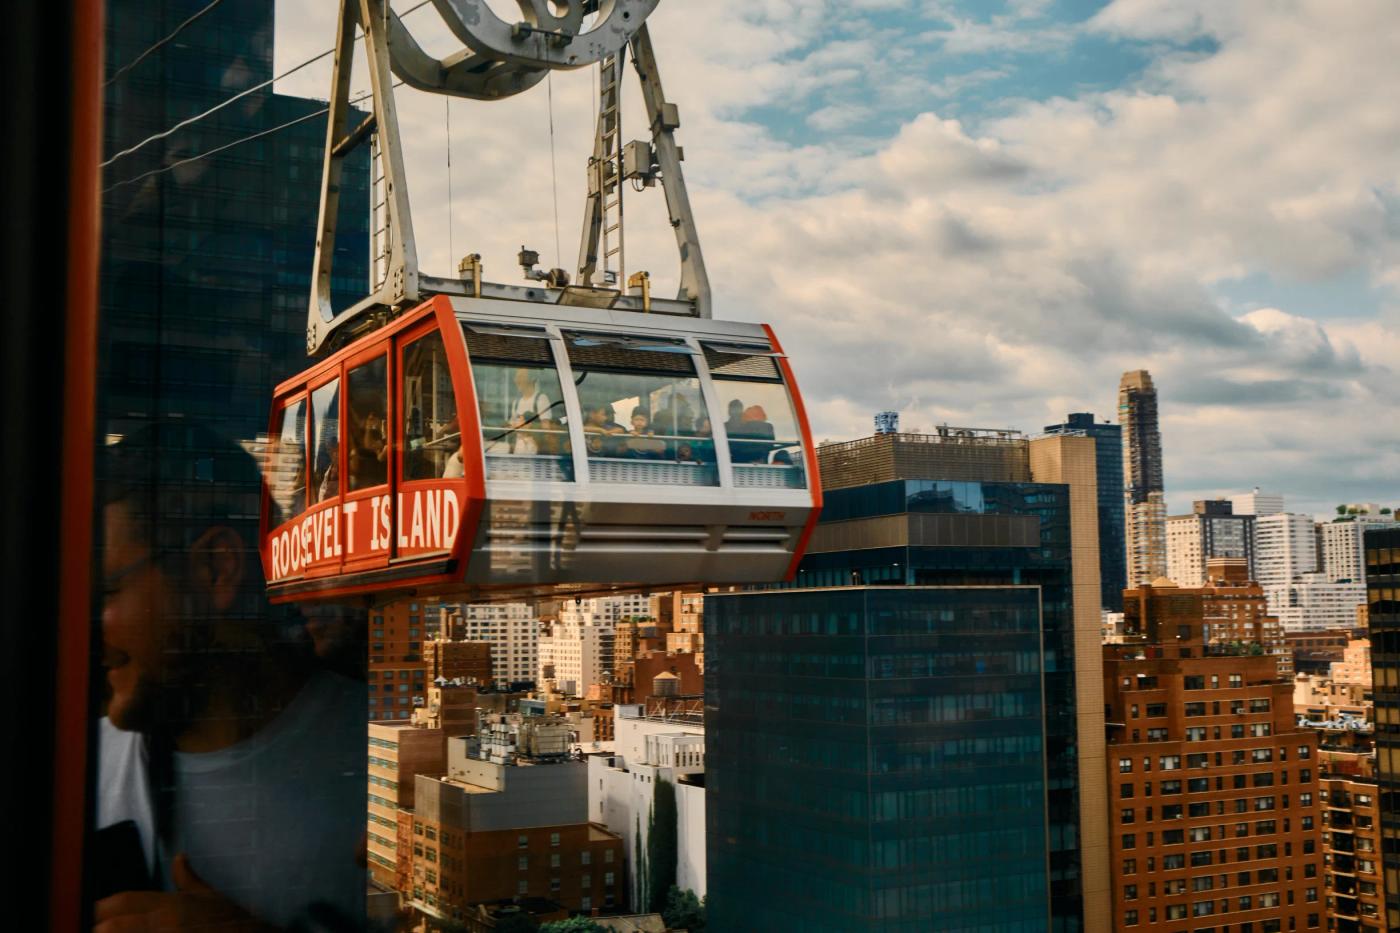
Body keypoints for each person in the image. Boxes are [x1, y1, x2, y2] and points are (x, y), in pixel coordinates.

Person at [95, 423, 365, 931]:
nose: (82, 626)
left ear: (216, 570)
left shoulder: (384, 770)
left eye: (104, 592)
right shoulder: (76, 772)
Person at [509, 367, 554, 456]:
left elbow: (547, 430)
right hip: (519, 450)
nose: (516, 380)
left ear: (531, 379)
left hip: (534, 452)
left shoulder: (541, 399)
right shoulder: (516, 402)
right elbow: (511, 428)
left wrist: (529, 427)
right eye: (516, 377)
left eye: (520, 377)